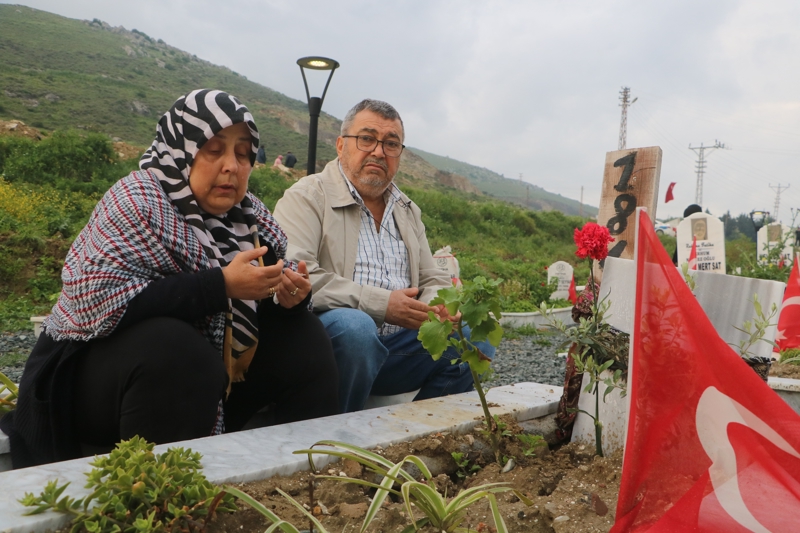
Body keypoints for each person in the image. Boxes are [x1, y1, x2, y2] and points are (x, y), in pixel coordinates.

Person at [0, 89, 338, 468]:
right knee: (175, 347)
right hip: (88, 383)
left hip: (201, 382)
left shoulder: (250, 216)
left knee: (306, 337)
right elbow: (94, 301)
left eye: (243, 153)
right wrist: (220, 285)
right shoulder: (138, 200)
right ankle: (159, 503)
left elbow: (265, 311)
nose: (232, 165)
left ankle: (301, 479)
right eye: (213, 149)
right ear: (181, 149)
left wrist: (288, 300)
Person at [273, 99, 495, 413]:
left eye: (391, 144)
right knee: (355, 329)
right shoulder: (308, 197)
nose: (379, 151)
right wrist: (383, 305)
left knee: (475, 334)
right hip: (331, 349)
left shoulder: (405, 209)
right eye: (367, 139)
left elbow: (432, 277)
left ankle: (418, 436)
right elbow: (295, 275)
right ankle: (331, 445)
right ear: (341, 145)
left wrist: (438, 304)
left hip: (398, 350)